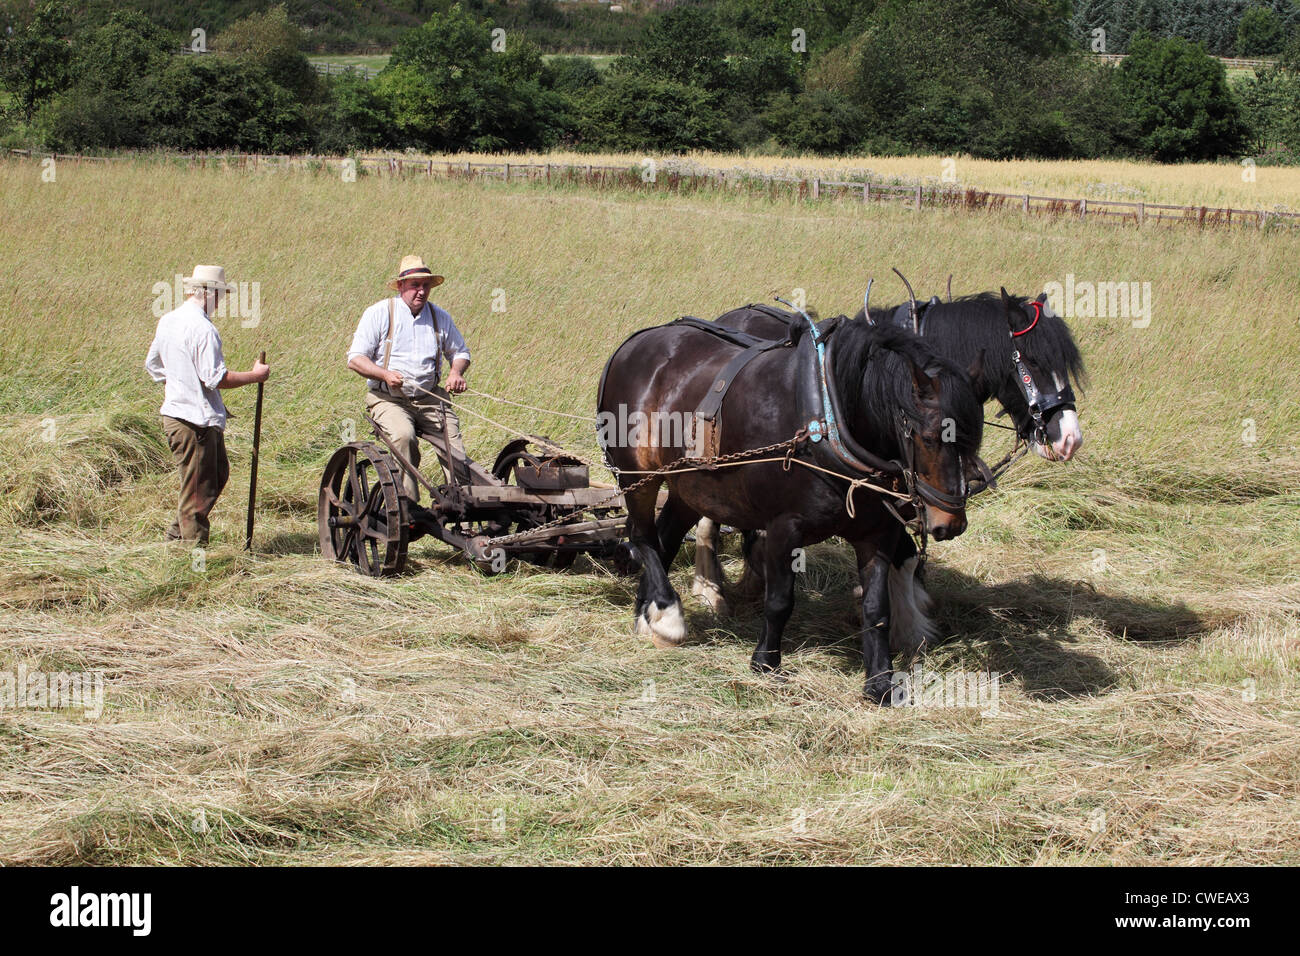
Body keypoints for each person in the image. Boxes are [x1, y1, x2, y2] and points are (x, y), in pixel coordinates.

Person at [145, 264, 270, 544]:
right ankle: (193, 556)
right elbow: (216, 378)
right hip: (194, 422)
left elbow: (152, 364)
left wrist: (178, 383)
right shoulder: (203, 329)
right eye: (221, 294)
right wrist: (256, 376)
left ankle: (177, 538)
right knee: (198, 491)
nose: (221, 300)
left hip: (181, 417)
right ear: (209, 292)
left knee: (214, 476)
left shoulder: (168, 320)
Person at [346, 255, 471, 499]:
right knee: (404, 437)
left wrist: (456, 372)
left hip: (430, 397)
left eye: (426, 285)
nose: (421, 291)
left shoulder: (440, 317)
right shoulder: (380, 313)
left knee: (454, 450)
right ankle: (407, 506)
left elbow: (460, 352)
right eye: (415, 285)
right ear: (401, 286)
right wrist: (384, 373)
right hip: (389, 399)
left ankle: (460, 504)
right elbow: (355, 359)